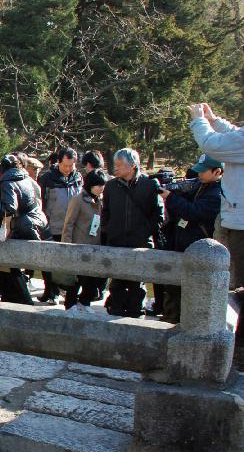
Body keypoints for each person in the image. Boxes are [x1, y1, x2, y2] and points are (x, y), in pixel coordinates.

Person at [0, 154, 50, 305]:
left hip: (20, 227)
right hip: (33, 225)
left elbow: (9, 207)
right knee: (6, 267)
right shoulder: (27, 179)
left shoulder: (7, 181)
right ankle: (12, 299)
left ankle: (23, 302)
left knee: (6, 265)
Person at [158, 154, 224, 323]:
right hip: (182, 245)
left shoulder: (218, 193)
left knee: (194, 296)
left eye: (203, 171)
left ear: (217, 172)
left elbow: (194, 212)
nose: (199, 174)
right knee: (174, 291)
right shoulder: (200, 185)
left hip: (200, 252)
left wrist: (170, 197)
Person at [101, 148, 164, 318]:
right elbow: (105, 212)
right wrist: (108, 230)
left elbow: (158, 215)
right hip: (116, 242)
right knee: (117, 282)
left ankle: (135, 314)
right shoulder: (111, 186)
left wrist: (144, 232)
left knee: (137, 282)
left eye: (120, 165)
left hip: (140, 243)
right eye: (116, 165)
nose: (117, 168)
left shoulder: (150, 185)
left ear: (133, 166)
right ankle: (116, 311)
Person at [189, 103, 244, 289]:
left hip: (241, 226)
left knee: (238, 287)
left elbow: (211, 145)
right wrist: (214, 121)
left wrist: (199, 121)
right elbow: (236, 136)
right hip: (238, 221)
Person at [36, 147, 83, 304]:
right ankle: (51, 291)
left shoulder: (78, 178)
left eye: (72, 165)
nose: (69, 169)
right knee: (49, 261)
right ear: (58, 162)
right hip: (52, 226)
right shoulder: (47, 179)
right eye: (65, 165)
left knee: (70, 261)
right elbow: (40, 203)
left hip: (72, 228)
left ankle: (69, 293)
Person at [62, 168, 108, 311]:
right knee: (75, 279)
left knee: (92, 279)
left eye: (103, 185)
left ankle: (85, 302)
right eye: (99, 185)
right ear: (91, 185)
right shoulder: (78, 200)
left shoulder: (101, 201)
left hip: (95, 246)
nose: (102, 188)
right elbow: (68, 224)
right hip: (78, 245)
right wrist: (66, 246)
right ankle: (70, 304)